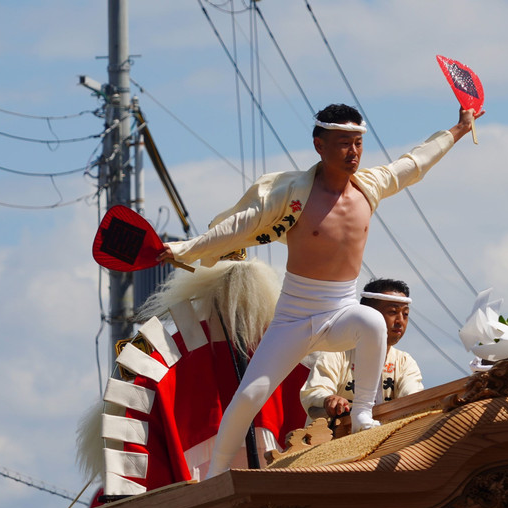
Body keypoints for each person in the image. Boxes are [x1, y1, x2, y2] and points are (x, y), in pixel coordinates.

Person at [160, 103, 482, 479]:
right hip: (294, 316)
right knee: (248, 397)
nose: (353, 153)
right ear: (319, 146)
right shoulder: (292, 194)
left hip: (342, 311)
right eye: (344, 143)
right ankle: (215, 475)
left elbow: (414, 164)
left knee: (373, 322)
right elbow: (238, 224)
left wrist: (458, 130)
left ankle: (362, 413)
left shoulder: (370, 187)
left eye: (358, 143)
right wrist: (185, 248)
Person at [300, 278, 422, 423]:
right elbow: (314, 393)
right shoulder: (337, 353)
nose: (400, 320)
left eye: (405, 314)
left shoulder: (404, 362)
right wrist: (329, 400)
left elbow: (413, 398)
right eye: (393, 312)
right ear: (368, 315)